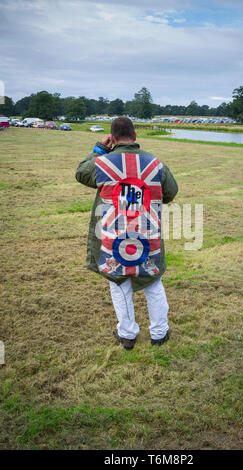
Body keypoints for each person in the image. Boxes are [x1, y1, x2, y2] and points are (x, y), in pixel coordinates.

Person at [75, 117, 178, 350]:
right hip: (147, 236)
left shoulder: (102, 163)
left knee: (119, 283)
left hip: (113, 237)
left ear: (113, 137)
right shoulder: (155, 164)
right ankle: (159, 334)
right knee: (153, 283)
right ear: (135, 135)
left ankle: (127, 334)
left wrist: (99, 149)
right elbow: (171, 191)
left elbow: (81, 172)